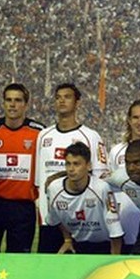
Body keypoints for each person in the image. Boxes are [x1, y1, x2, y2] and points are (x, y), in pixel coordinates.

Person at [35, 83, 108, 253]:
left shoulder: (91, 136)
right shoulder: (43, 135)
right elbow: (39, 180)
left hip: (80, 220)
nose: (62, 101)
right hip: (50, 218)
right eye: (58, 97)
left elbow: (100, 177)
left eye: (67, 97)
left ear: (77, 103)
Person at [45, 143, 123, 255]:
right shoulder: (54, 188)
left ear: (89, 166)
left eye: (76, 164)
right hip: (78, 244)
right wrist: (67, 239)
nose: (71, 169)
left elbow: (115, 229)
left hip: (105, 245)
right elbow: (55, 219)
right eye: (68, 164)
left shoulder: (101, 188)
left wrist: (114, 258)